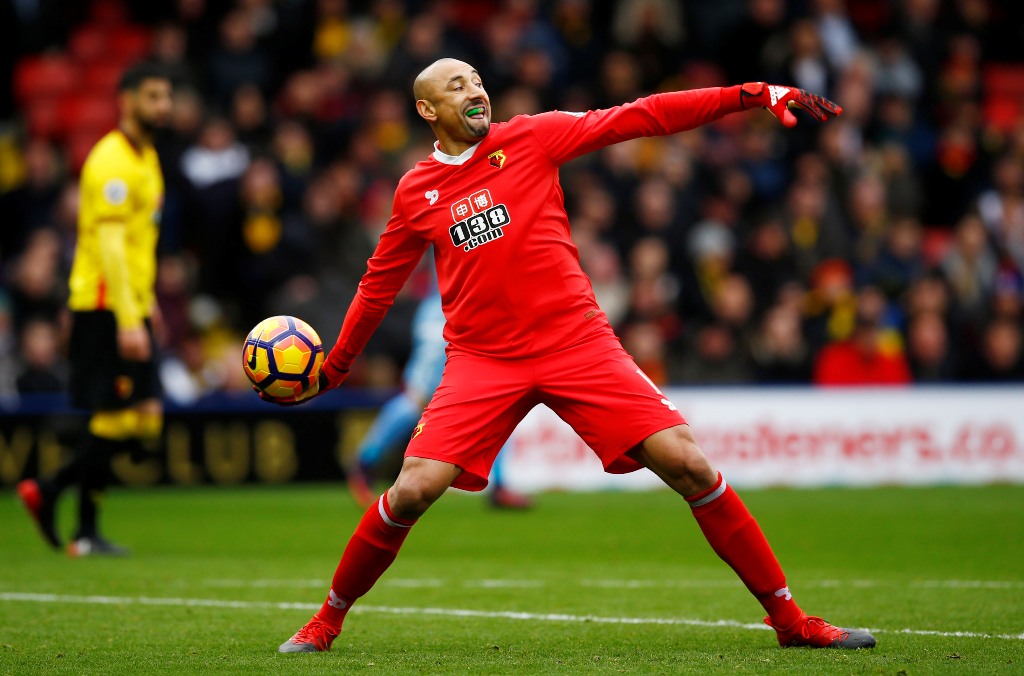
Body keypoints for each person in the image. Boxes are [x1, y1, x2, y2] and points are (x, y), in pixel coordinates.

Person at [266, 59, 874, 652]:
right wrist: (336, 366)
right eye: (457, 86)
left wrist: (750, 94)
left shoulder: (531, 136)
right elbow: (378, 286)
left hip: (575, 343)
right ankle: (326, 620)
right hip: (483, 359)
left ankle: (791, 620)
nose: (475, 90)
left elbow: (641, 116)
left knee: (687, 463)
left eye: (477, 80)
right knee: (411, 490)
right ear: (428, 110)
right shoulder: (415, 192)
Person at [17, 62, 173, 557]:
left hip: (130, 302)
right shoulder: (110, 160)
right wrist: (128, 319)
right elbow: (107, 247)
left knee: (143, 419)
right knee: (114, 415)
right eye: (152, 96)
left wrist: (147, 303)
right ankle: (84, 530)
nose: (162, 107)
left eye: (166, 97)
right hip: (104, 306)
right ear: (125, 99)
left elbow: (136, 244)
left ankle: (52, 489)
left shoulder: (146, 157)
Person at [347, 281, 532, 510]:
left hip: (468, 303)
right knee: (418, 399)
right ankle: (365, 461)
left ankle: (500, 485)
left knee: (500, 404)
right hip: (449, 304)